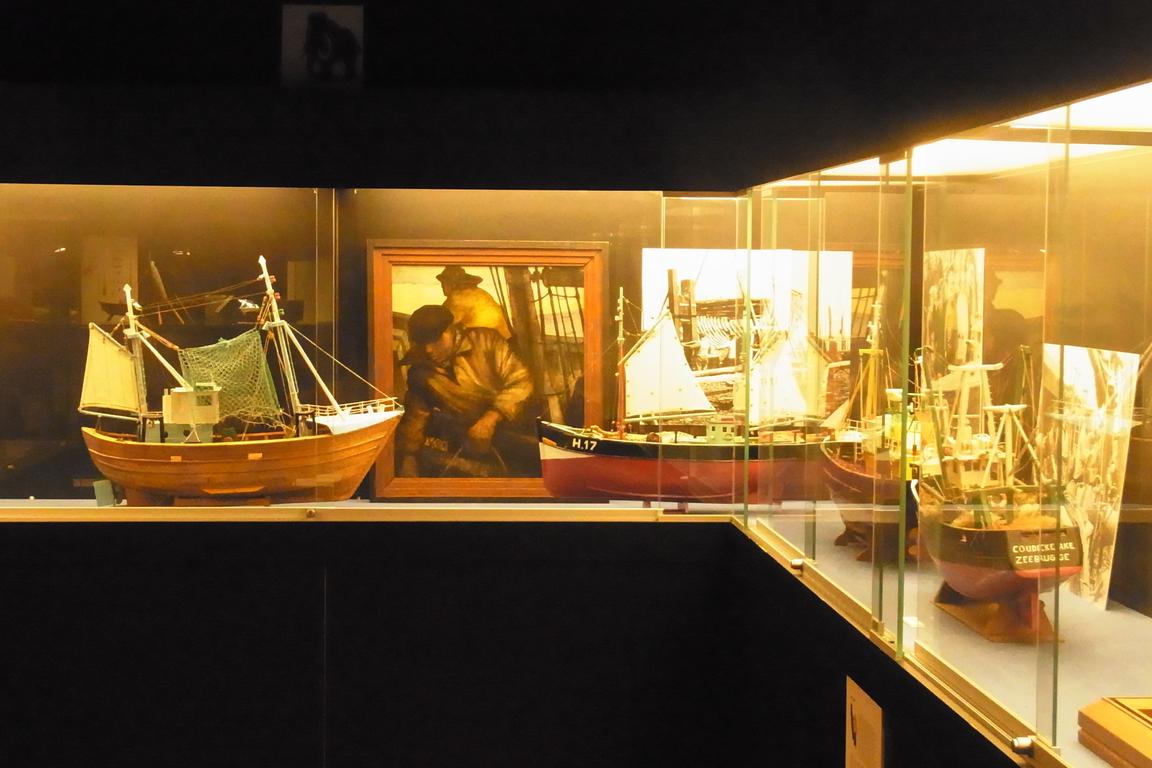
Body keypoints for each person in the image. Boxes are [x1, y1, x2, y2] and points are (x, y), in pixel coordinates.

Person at [396, 304, 537, 477]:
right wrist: (408, 458)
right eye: (423, 343)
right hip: (467, 439)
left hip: (516, 429)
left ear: (450, 330)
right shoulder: (419, 371)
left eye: (435, 340)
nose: (428, 350)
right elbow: (415, 416)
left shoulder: (486, 341)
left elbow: (521, 381)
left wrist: (490, 419)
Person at [436, 265, 513, 339]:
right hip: (504, 340)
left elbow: (441, 324)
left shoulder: (457, 298)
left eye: (444, 282)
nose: (442, 286)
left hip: (488, 342)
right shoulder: (481, 293)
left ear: (452, 284)